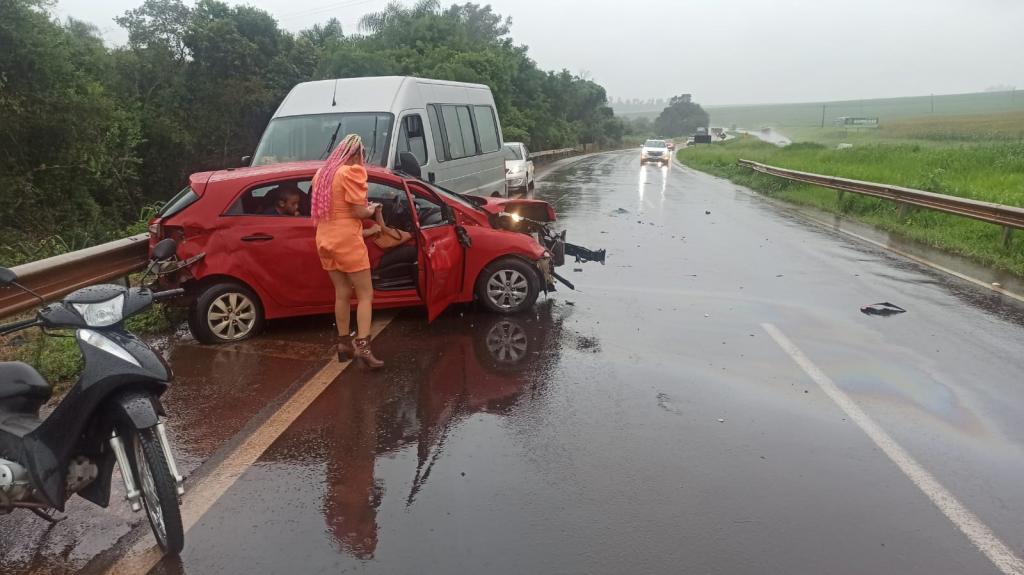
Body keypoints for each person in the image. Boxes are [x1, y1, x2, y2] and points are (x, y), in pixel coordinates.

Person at [312, 134, 385, 368]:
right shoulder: (350, 172)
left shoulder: (322, 174)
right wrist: (372, 209)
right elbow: (358, 212)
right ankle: (364, 346)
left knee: (342, 292)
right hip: (347, 241)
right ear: (356, 154)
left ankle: (344, 344)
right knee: (365, 295)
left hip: (325, 239)